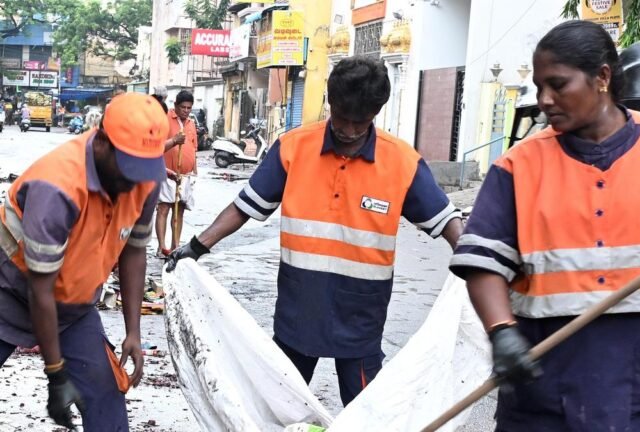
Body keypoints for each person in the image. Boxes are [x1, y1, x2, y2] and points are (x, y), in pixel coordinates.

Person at [449, 21, 640, 432]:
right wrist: (501, 331)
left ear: (602, 78)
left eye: (557, 85)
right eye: (540, 86)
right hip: (545, 395)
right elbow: (483, 261)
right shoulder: (519, 166)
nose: (544, 100)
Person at [165, 56, 464, 406]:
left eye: (361, 122)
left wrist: (479, 264)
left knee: (366, 413)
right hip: (299, 308)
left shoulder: (401, 161)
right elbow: (244, 207)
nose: (351, 131)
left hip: (361, 315)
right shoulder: (294, 147)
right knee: (280, 408)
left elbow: (447, 221)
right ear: (329, 102)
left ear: (377, 112)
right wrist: (196, 247)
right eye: (343, 119)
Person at [0, 93, 169, 430]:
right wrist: (55, 373)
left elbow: (134, 250)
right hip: (8, 293)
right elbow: (41, 292)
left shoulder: (146, 177)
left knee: (107, 400)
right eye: (128, 170)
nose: (133, 184)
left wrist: (133, 332)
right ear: (102, 141)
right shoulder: (57, 186)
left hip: (73, 309)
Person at [155, 90, 197, 257]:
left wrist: (195, 170)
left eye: (189, 108)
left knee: (179, 210)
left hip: (186, 175)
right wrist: (174, 142)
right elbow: (156, 146)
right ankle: (161, 247)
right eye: (183, 107)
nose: (186, 111)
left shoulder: (191, 124)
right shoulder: (165, 120)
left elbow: (194, 147)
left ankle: (175, 245)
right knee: (164, 208)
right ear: (175, 106)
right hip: (166, 172)